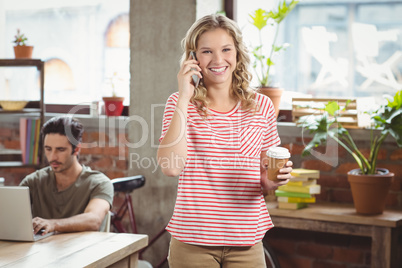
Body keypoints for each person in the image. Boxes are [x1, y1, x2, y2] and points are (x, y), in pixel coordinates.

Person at [157, 14, 293, 267]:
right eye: (207, 51)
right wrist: (185, 97)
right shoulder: (179, 103)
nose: (218, 60)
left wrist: (273, 179)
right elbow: (171, 167)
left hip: (247, 241)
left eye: (226, 49)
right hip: (192, 242)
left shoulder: (262, 105)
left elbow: (265, 180)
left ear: (237, 54)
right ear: (193, 58)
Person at [20, 116, 113, 235]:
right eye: (48, 149)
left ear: (76, 149)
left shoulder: (99, 183)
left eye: (60, 150)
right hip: (41, 251)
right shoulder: (33, 182)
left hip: (85, 252)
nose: (52, 157)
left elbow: (94, 220)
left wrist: (53, 224)